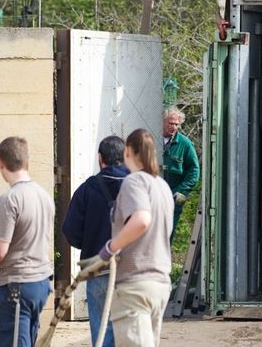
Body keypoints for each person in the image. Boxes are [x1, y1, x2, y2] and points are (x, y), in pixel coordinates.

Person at [82, 128, 174, 346]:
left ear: (128, 153)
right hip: (159, 284)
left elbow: (141, 220)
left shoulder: (134, 182)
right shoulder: (162, 186)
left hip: (136, 284)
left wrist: (110, 248)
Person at [0, 136, 54, 346]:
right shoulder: (44, 196)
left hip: (15, 285)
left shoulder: (9, 199)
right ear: (28, 161)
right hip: (40, 284)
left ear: (1, 163)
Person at [61, 135, 129, 347]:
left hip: (98, 269)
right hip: (131, 271)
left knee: (101, 333)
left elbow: (70, 231)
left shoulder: (86, 189)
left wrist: (90, 242)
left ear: (100, 158)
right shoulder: (138, 185)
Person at [162, 107, 199, 244]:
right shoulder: (152, 139)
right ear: (163, 121)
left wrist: (181, 192)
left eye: (177, 124)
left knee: (166, 237)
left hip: (174, 197)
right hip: (153, 196)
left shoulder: (185, 144)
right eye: (170, 123)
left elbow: (194, 171)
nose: (174, 127)